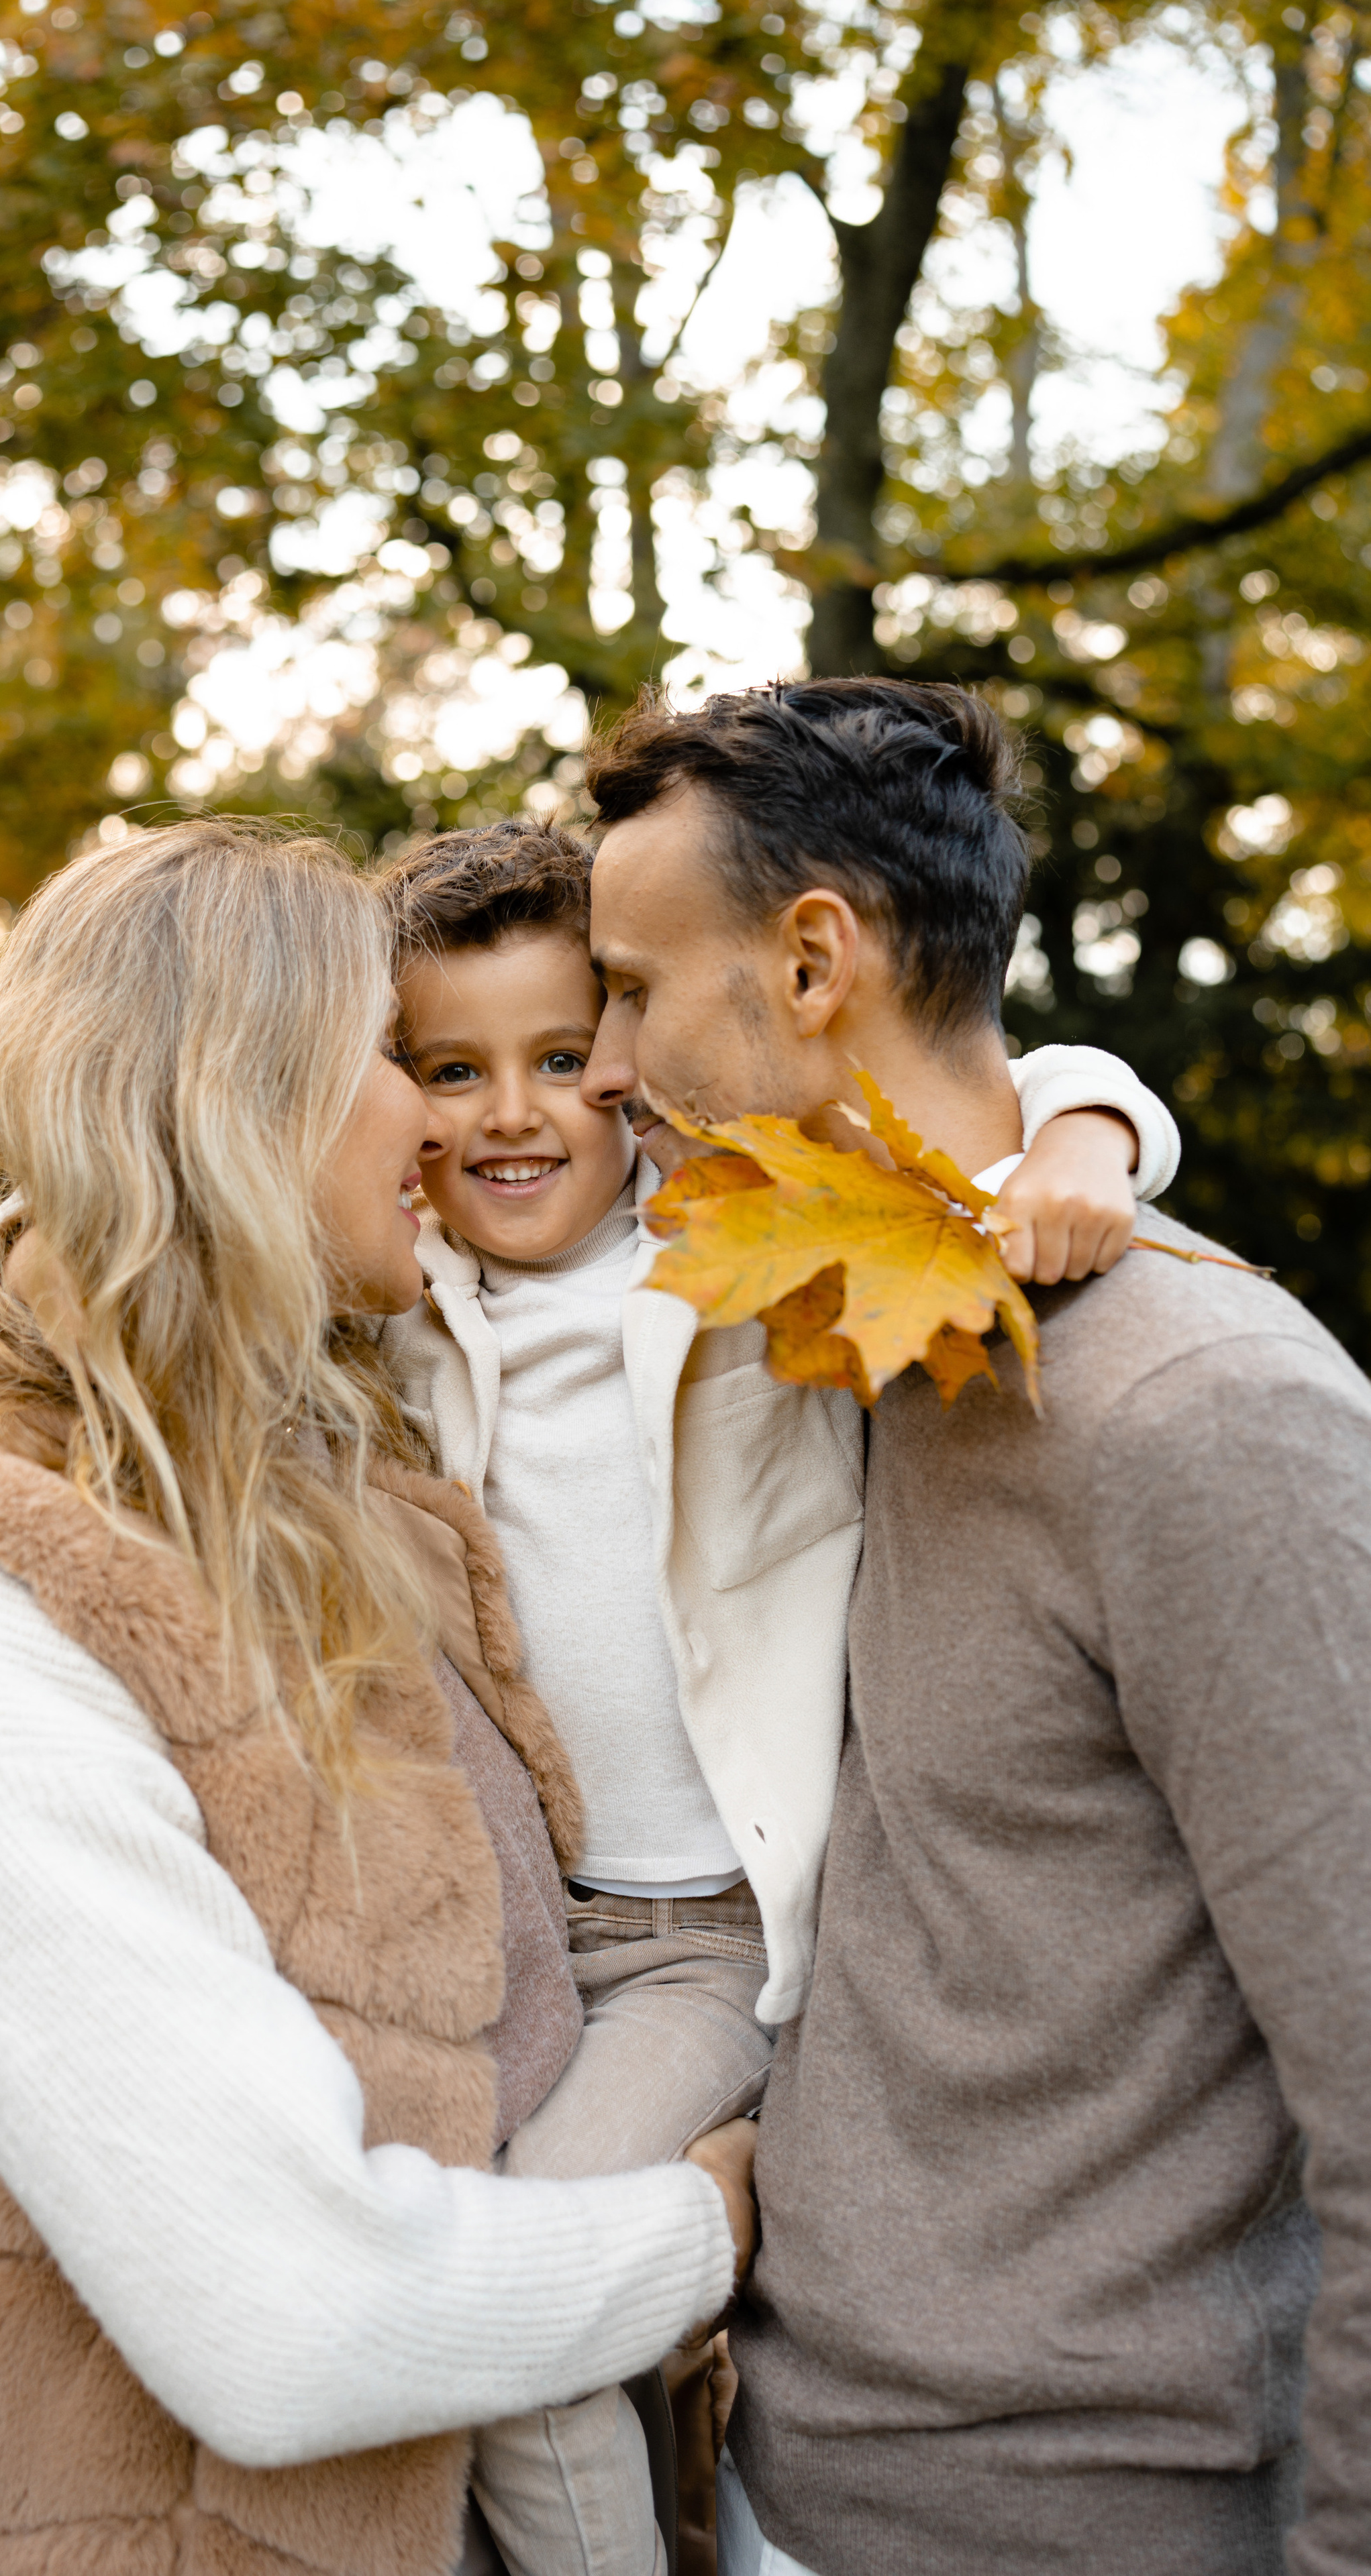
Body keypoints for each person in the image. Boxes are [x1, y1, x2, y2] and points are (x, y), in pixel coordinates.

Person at [0, 819, 756, 2576]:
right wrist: (701, 2230)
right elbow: (283, 2319)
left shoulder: (355, 1492)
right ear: (246, 1099)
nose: (447, 1123)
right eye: (396, 1057)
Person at [581, 676, 1371, 2576]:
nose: (604, 1067)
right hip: (795, 2462)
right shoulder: (844, 1345)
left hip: (1081, 2520)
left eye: (630, 988)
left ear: (815, 960)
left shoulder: (1208, 1415)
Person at [375, 818, 1180, 2576]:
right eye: (452, 1067)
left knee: (516, 2323)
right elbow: (144, 1199)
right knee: (421, 2326)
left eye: (555, 1059)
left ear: (624, 1061)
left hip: (700, 1944)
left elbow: (1022, 1072)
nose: (514, 1112)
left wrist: (1093, 1137)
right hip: (495, 1934)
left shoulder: (743, 1250)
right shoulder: (381, 1307)